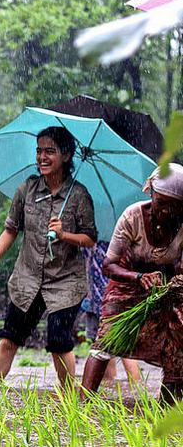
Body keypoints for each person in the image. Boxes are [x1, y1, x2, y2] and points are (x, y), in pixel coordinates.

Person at [0, 126, 96, 388]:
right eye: (39, 151)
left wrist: (64, 235)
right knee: (10, 338)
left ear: (66, 155)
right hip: (27, 277)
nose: (42, 157)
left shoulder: (78, 195)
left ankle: (68, 404)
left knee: (59, 341)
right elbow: (11, 229)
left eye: (49, 151)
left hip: (65, 281)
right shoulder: (27, 189)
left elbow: (90, 239)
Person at [81, 164, 183, 404]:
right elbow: (109, 265)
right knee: (106, 339)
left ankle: (166, 411)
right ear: (151, 193)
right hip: (126, 283)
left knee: (177, 343)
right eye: (161, 203)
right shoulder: (133, 216)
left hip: (166, 288)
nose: (166, 211)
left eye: (175, 206)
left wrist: (172, 283)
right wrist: (139, 277)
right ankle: (83, 405)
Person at [80, 241, 141, 386]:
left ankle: (138, 388)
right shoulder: (88, 238)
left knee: (122, 341)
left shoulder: (116, 241)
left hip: (113, 297)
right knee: (103, 344)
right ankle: (110, 387)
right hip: (95, 296)